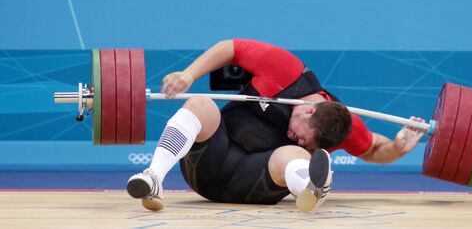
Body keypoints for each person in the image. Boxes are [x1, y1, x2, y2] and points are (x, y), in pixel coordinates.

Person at [126, 39, 424, 212]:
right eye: (302, 135)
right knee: (200, 103)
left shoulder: (341, 123)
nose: (299, 139)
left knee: (294, 156)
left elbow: (373, 148)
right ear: (307, 111)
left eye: (308, 143)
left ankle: (309, 188)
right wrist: (189, 75)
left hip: (254, 183)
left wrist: (399, 146)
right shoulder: (286, 70)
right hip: (208, 162)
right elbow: (231, 47)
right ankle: (153, 178)